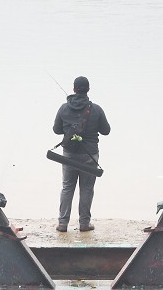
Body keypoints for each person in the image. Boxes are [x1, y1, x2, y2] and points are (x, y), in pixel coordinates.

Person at [52, 76, 110, 232]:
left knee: (67, 188)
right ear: (88, 89)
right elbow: (106, 131)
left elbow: (56, 130)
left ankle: (62, 224)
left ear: (73, 89)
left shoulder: (64, 108)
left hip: (69, 154)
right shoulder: (96, 109)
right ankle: (84, 224)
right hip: (90, 155)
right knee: (86, 189)